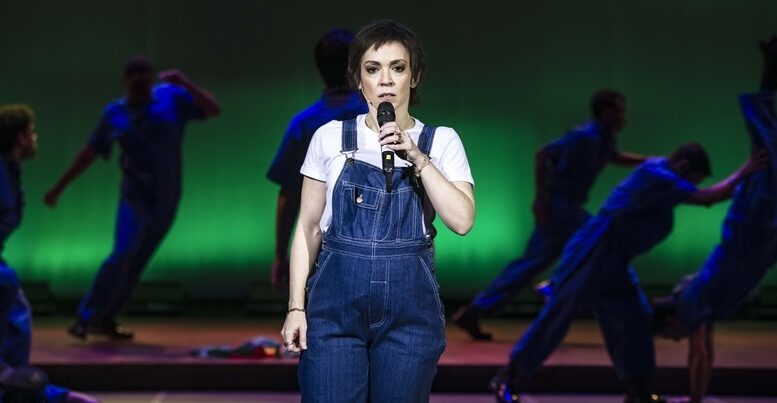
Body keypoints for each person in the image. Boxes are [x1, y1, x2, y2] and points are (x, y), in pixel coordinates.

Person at [280, 20, 475, 402]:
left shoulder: (441, 141)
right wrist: (296, 307)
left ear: (414, 76)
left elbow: (463, 221)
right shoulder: (330, 138)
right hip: (335, 311)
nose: (385, 80)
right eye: (373, 69)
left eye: (397, 68)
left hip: (410, 313)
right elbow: (307, 229)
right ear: (358, 78)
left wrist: (417, 157)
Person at [491, 144, 767, 403]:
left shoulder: (662, 172)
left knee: (635, 318)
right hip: (596, 248)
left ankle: (639, 392)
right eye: (693, 178)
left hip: (615, 260)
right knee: (560, 313)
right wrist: (746, 171)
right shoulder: (658, 175)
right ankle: (509, 378)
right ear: (683, 164)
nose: (691, 186)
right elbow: (708, 198)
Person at [44, 57, 221, 340]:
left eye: (144, 77)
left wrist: (184, 82)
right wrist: (59, 187)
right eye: (133, 77)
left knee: (138, 260)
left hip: (166, 197)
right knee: (123, 253)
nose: (139, 83)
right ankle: (86, 316)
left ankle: (105, 318)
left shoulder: (170, 98)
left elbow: (213, 109)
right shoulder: (115, 112)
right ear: (125, 81)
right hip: (135, 197)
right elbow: (89, 152)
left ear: (151, 80)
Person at [453, 90, 648, 340]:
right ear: (606, 112)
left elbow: (616, 157)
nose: (624, 116)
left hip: (566, 209)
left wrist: (652, 161)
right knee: (600, 238)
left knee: (531, 264)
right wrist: (540, 201)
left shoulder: (602, 139)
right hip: (561, 209)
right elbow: (543, 154)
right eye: (620, 110)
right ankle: (553, 285)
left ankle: (476, 311)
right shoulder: (584, 137)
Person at [653, 36, 777, 403]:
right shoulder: (692, 296)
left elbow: (701, 353)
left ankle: (771, 59)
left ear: (674, 322)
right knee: (764, 139)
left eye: (671, 336)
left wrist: (693, 400)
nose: (680, 340)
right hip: (754, 230)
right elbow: (703, 351)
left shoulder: (692, 304)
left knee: (764, 139)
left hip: (754, 228)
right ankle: (771, 61)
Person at [0, 105, 99, 403]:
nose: (34, 137)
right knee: (11, 305)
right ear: (19, 137)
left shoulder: (9, 170)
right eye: (30, 131)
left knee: (14, 316)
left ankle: (22, 390)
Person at [267, 28, 367, 292]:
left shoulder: (303, 125)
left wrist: (281, 254)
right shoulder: (381, 118)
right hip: (377, 247)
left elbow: (288, 195)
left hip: (322, 251)